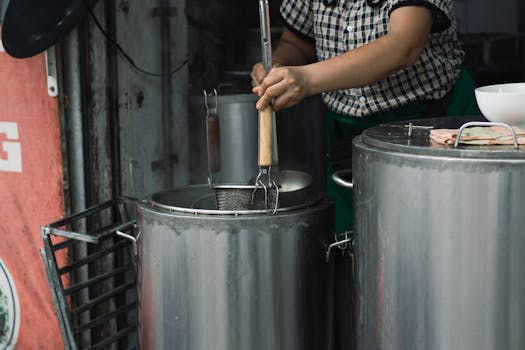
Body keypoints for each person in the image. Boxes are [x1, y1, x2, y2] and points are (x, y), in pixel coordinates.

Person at [251, 0, 480, 232]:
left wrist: (306, 79)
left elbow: (404, 46)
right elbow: (297, 42)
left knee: (434, 238)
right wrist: (278, 68)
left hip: (430, 126)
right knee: (357, 243)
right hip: (348, 135)